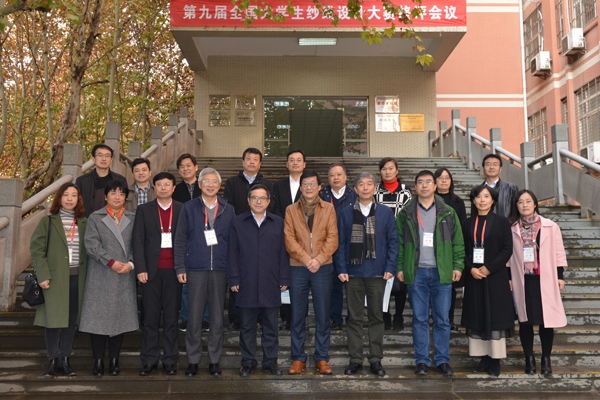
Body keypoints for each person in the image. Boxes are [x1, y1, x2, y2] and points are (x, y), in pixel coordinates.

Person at [396, 170, 464, 377]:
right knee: (419, 319)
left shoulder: (448, 212)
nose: (424, 185)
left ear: (435, 186)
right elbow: (399, 243)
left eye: (428, 182)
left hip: (441, 273)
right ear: (415, 187)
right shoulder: (405, 213)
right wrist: (400, 267)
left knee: (442, 319)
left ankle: (442, 360)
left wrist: (457, 266)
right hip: (416, 272)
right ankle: (422, 361)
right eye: (420, 182)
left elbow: (458, 242)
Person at [336, 172, 399, 376]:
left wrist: (390, 267)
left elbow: (393, 242)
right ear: (355, 189)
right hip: (353, 273)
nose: (365, 188)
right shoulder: (346, 213)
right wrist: (341, 269)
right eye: (361, 184)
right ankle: (355, 360)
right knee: (354, 319)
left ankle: (375, 360)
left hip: (377, 273)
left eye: (369, 184)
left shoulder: (385, 212)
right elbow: (340, 244)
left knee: (376, 318)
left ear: (374, 188)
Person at [174, 167, 235, 377]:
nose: (210, 185)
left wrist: (232, 270)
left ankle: (214, 361)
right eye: (206, 181)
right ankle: (193, 361)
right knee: (194, 318)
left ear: (219, 185)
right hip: (195, 269)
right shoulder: (189, 208)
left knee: (217, 318)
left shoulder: (228, 209)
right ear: (199, 185)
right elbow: (180, 239)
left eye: (214, 181)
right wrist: (180, 267)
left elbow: (233, 242)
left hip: (220, 269)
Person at [228, 185, 291, 377]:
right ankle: (248, 362)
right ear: (248, 201)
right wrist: (234, 278)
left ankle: (270, 362)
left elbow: (284, 253)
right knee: (247, 326)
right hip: (245, 281)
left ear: (269, 202)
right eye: (254, 197)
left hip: (271, 281)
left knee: (271, 325)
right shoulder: (238, 222)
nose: (258, 201)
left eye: (262, 198)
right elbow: (232, 252)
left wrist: (284, 277)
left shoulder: (278, 222)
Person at [79, 180, 138, 377]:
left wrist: (131, 263)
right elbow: (91, 244)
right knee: (97, 319)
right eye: (113, 193)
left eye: (121, 193)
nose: (117, 197)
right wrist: (110, 261)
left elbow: (138, 244)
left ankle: (114, 360)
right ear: (105, 196)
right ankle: (97, 361)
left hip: (124, 273)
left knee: (119, 318)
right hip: (101, 273)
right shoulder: (95, 217)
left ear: (126, 197)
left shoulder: (133, 218)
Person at [30, 183, 88, 377]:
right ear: (59, 198)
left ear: (79, 199)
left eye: (74, 195)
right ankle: (53, 360)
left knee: (71, 321)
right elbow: (37, 250)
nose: (70, 199)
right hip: (54, 279)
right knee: (53, 321)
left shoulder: (84, 223)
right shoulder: (47, 222)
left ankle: (65, 359)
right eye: (66, 195)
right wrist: (43, 275)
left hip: (78, 279)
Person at [507, 190, 567, 375]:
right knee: (525, 321)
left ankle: (546, 360)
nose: (524, 204)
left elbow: (558, 252)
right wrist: (509, 278)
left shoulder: (550, 226)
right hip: (523, 280)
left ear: (535, 204)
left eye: (528, 201)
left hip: (545, 279)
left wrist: (560, 276)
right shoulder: (512, 228)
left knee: (546, 322)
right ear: (516, 206)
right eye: (520, 202)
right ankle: (529, 359)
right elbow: (508, 257)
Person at [284, 171, 338, 375]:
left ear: (319, 187)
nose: (308, 187)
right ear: (300, 187)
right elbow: (289, 239)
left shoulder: (329, 208)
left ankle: (321, 357)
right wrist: (307, 259)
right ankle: (298, 358)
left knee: (323, 315)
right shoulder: (290, 210)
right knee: (297, 315)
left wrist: (319, 260)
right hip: (298, 267)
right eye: (305, 184)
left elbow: (333, 237)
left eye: (312, 184)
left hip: (323, 267)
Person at [132, 172, 183, 376]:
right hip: (150, 273)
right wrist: (140, 268)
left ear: (173, 188)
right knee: (150, 319)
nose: (163, 188)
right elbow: (138, 241)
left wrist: (183, 268)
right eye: (159, 184)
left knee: (171, 319)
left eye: (167, 184)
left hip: (174, 272)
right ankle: (149, 360)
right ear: (154, 187)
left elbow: (186, 239)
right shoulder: (144, 210)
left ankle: (170, 361)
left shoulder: (182, 209)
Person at [461, 185, 514, 377]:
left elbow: (507, 249)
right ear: (473, 200)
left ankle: (495, 360)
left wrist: (489, 268)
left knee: (495, 316)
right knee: (477, 315)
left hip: (496, 276)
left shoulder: (502, 222)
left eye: (486, 196)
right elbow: (461, 249)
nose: (482, 200)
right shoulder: (467, 223)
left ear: (493, 200)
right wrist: (471, 268)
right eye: (478, 197)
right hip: (474, 277)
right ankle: (482, 358)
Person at [223, 147, 275, 331]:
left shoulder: (267, 183)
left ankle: (259, 319)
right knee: (238, 275)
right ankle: (236, 319)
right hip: (239, 231)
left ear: (260, 163)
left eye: (255, 159)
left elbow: (271, 206)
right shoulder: (232, 182)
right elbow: (228, 206)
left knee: (260, 278)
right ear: (243, 161)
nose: (252, 162)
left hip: (262, 233)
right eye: (249, 159)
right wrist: (243, 222)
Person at [374, 157, 412, 331]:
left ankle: (398, 316)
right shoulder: (375, 191)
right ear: (380, 172)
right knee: (383, 280)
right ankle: (385, 316)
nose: (387, 172)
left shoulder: (405, 191)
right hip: (380, 242)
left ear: (397, 170)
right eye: (384, 169)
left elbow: (409, 216)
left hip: (400, 241)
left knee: (400, 280)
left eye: (391, 168)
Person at [320, 163, 357, 330]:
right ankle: (334, 318)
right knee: (333, 285)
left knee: (352, 285)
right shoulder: (322, 195)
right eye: (332, 175)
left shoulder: (354, 195)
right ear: (328, 179)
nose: (336, 178)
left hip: (351, 247)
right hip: (328, 247)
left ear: (345, 177)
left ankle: (352, 318)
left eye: (339, 174)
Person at [272, 149, 305, 331]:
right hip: (283, 237)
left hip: (305, 239)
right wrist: (287, 225)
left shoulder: (310, 185)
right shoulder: (277, 186)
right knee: (284, 276)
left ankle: (301, 318)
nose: (295, 163)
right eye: (291, 160)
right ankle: (286, 317)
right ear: (287, 164)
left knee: (302, 280)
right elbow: (274, 208)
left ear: (304, 164)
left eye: (298, 160)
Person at [172, 154, 202, 333]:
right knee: (185, 282)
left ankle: (205, 319)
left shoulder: (204, 185)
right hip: (183, 238)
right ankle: (186, 318)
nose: (185, 169)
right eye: (182, 166)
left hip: (204, 239)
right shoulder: (175, 190)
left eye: (188, 165)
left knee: (205, 283)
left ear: (196, 167)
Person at [434, 167, 467, 331]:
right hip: (432, 249)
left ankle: (449, 319)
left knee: (451, 288)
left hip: (450, 247)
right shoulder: (429, 200)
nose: (444, 180)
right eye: (440, 177)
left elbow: (462, 226)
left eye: (447, 177)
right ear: (435, 181)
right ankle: (435, 318)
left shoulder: (458, 202)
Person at [76, 144, 127, 218]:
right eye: (100, 155)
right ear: (93, 159)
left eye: (107, 156)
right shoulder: (82, 181)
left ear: (111, 159)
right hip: (87, 221)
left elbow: (124, 203)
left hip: (112, 222)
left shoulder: (120, 180)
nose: (104, 159)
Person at [481, 154, 518, 218]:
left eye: (495, 165)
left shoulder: (511, 188)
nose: (491, 167)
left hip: (505, 224)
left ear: (500, 169)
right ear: (483, 169)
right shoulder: (478, 190)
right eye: (488, 164)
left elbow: (516, 212)